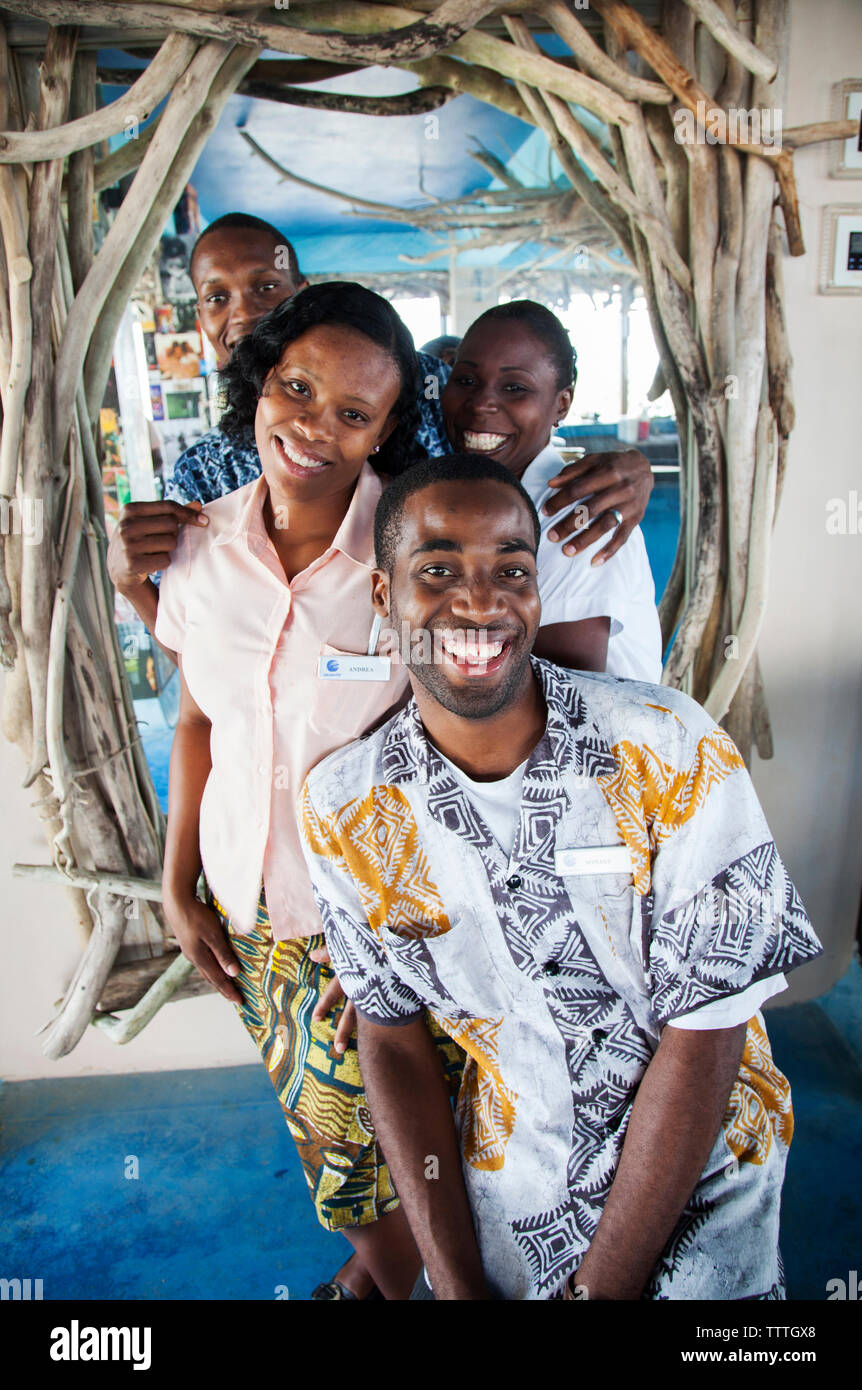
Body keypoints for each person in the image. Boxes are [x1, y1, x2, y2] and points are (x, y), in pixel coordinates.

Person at [298, 455, 823, 1301]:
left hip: (708, 1164)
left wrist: (599, 1291)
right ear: (383, 598)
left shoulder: (667, 747)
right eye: (437, 569)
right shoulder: (345, 806)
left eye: (512, 568)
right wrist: (456, 1282)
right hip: (516, 1168)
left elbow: (709, 1028)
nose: (481, 599)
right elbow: (389, 1035)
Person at [155, 283, 463, 1301]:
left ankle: (386, 1278)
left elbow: (453, 754)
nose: (313, 427)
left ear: (384, 432)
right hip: (251, 922)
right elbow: (198, 719)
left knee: (390, 1164)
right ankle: (378, 1272)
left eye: (353, 412)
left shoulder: (414, 555)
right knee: (325, 1144)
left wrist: (394, 932)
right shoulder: (197, 547)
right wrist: (177, 885)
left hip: (368, 931)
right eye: (297, 387)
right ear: (260, 379)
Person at [108, 214, 656, 641]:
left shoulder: (419, 387)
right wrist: (130, 585)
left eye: (266, 287)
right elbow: (194, 654)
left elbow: (509, 416)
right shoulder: (203, 473)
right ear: (199, 317)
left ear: (303, 293)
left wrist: (630, 465)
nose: (245, 314)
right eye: (217, 297)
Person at [441, 300, 661, 679]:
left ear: (562, 404)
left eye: (514, 388)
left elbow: (560, 697)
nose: (481, 404)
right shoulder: (459, 495)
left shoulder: (576, 517)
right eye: (466, 380)